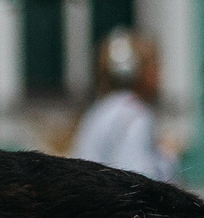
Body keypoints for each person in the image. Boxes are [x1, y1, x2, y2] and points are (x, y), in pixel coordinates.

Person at [69, 29, 180, 183]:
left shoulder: (100, 110)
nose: (160, 74)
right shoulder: (134, 116)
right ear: (139, 72)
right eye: (155, 65)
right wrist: (168, 156)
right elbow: (142, 182)